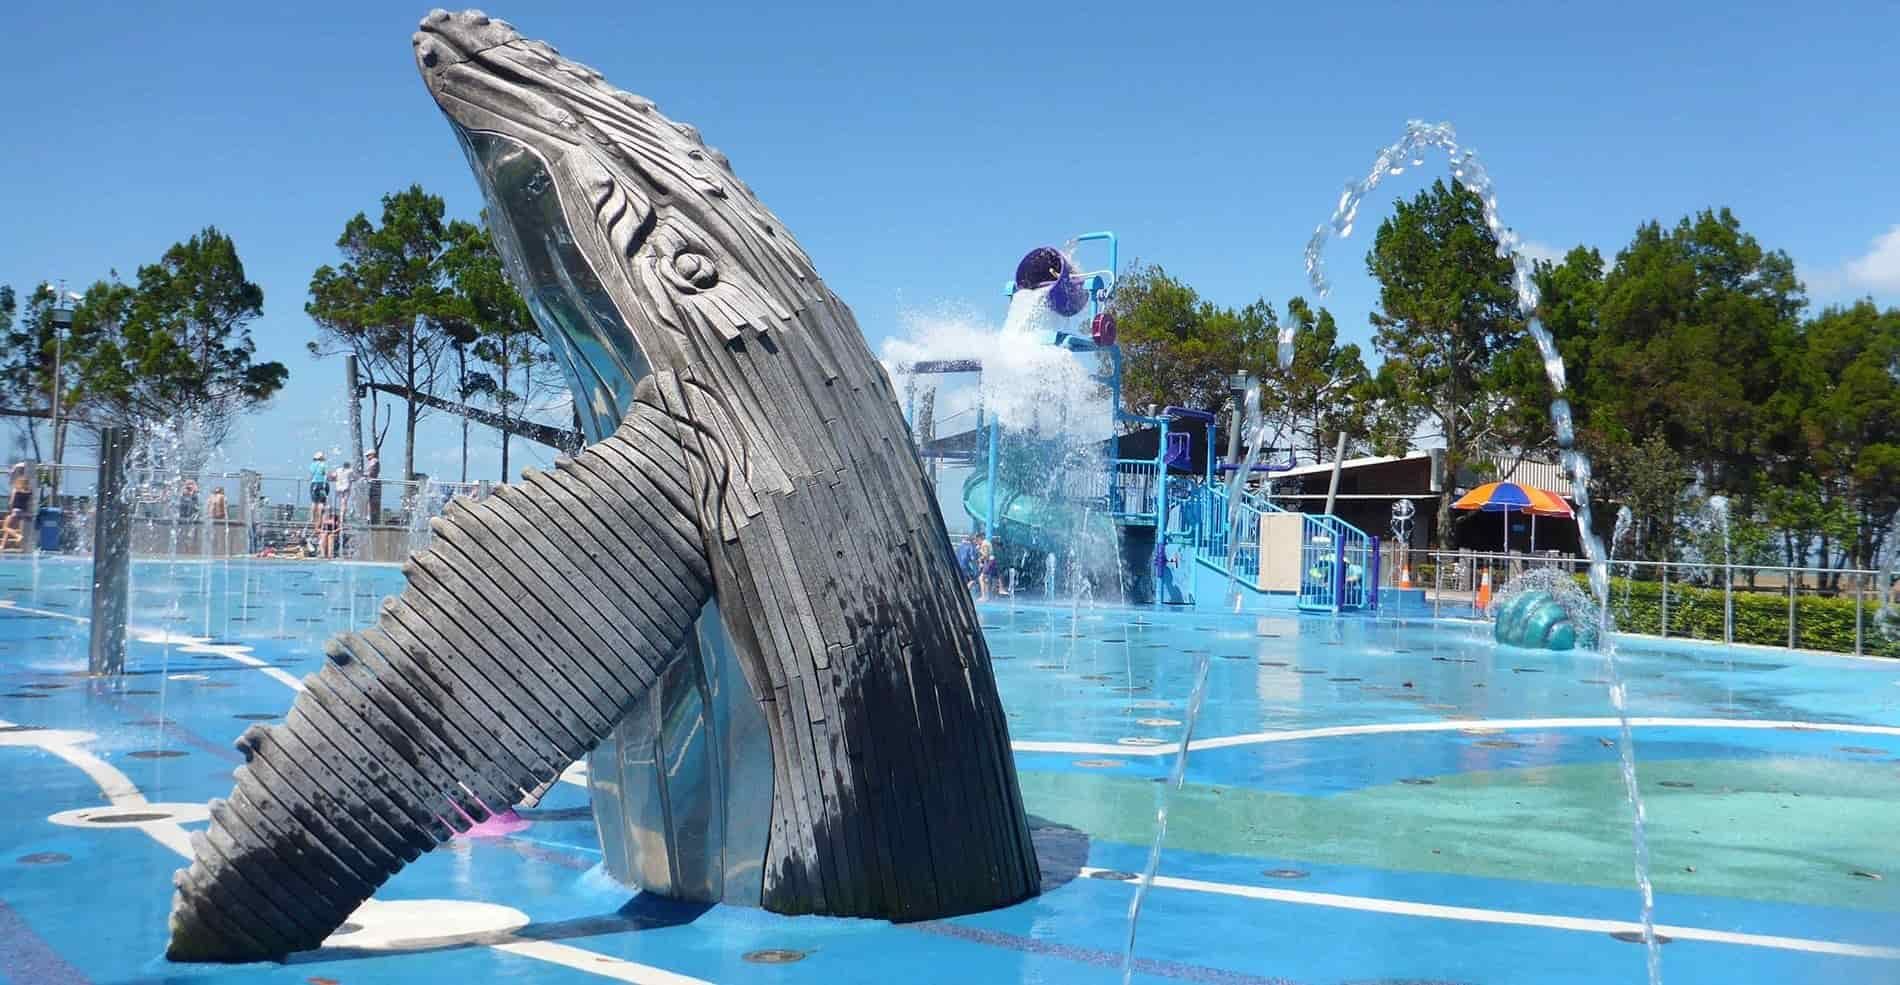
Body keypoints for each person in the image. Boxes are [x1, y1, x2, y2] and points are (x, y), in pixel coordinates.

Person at [0, 465, 29, 552]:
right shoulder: (28, 491)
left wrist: (10, 508)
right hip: (23, 513)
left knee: (5, 527)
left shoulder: (16, 490)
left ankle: (18, 536)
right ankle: (2, 546)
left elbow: (11, 502)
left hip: (15, 511)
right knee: (9, 527)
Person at [308, 451, 329, 531]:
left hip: (314, 483)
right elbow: (326, 474)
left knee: (314, 502)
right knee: (321, 503)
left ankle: (312, 518)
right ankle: (319, 518)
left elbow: (311, 475)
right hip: (323, 484)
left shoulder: (312, 465)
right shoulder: (324, 465)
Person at [362, 449, 382, 526]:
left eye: (368, 455)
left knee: (370, 500)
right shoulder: (372, 462)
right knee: (368, 500)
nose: (367, 457)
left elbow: (371, 471)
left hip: (372, 482)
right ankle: (368, 516)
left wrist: (365, 474)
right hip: (370, 481)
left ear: (372, 454)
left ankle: (369, 517)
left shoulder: (374, 461)